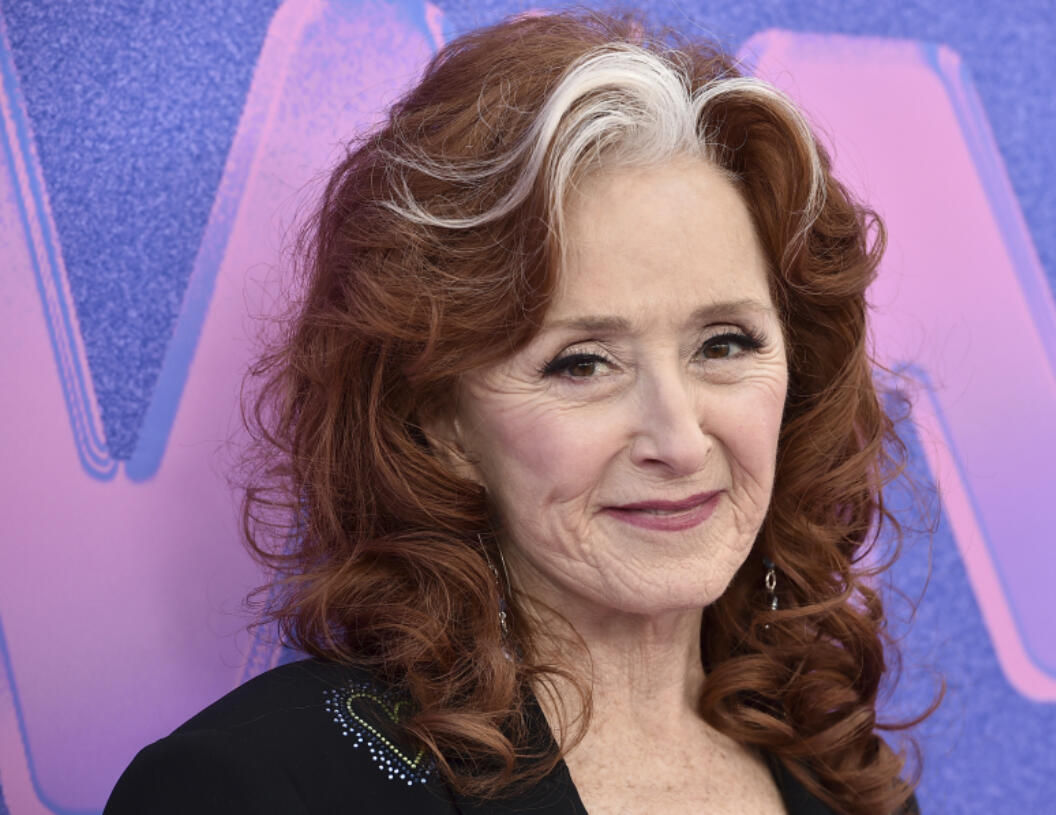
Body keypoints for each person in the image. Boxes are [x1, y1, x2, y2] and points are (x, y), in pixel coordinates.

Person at [105, 9, 938, 815]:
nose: (681, 440)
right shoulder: (256, 787)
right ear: (440, 420)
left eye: (724, 344)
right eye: (581, 363)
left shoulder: (846, 774)